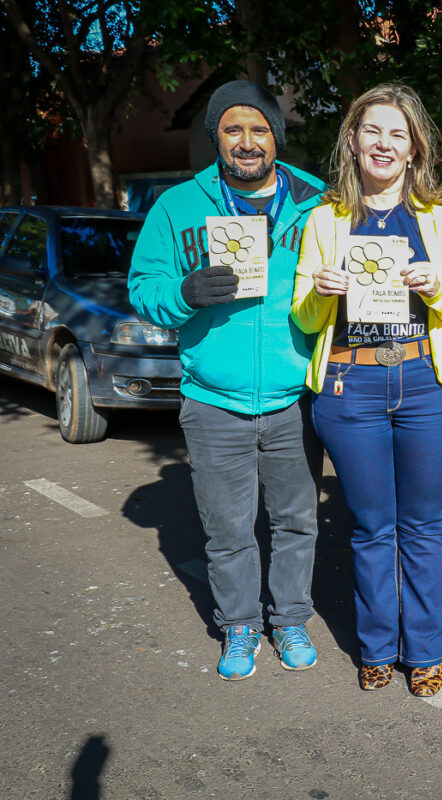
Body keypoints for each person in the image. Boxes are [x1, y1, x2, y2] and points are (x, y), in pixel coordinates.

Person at [128, 79, 326, 680]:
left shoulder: (318, 201)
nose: (246, 141)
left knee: (296, 521)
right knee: (228, 528)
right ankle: (239, 628)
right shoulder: (176, 207)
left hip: (295, 399)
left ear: (276, 137)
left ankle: (289, 619)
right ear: (216, 136)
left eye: (259, 129)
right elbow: (142, 289)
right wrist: (183, 294)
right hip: (213, 403)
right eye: (232, 129)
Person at [292, 83, 442, 697]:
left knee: (422, 524)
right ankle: (375, 647)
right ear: (353, 140)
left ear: (414, 148)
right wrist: (322, 290)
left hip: (426, 381)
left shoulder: (440, 216)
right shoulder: (324, 219)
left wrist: (436, 287)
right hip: (352, 384)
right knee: (370, 526)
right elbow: (305, 318)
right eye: (373, 131)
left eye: (398, 134)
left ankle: (424, 652)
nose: (384, 144)